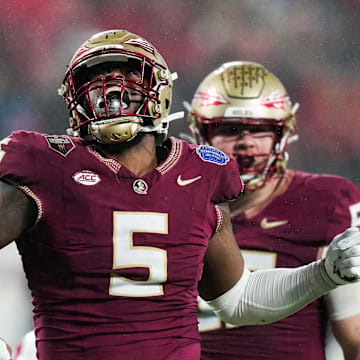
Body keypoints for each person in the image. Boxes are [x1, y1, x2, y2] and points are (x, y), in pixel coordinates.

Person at [0, 31, 360, 360]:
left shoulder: (200, 174)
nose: (112, 90)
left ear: (161, 91)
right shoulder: (47, 166)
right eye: (95, 81)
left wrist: (322, 274)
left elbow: (239, 299)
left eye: (128, 76)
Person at [186, 60, 360, 359]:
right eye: (230, 130)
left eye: (260, 130)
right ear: (201, 134)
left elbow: (356, 339)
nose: (246, 144)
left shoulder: (328, 202)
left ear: (283, 135)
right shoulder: (175, 200)